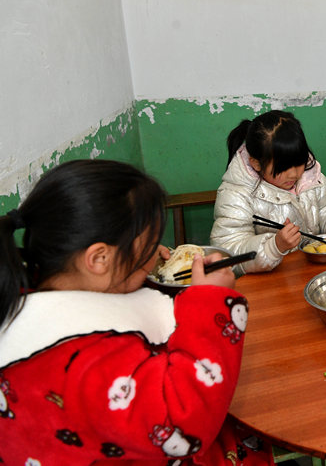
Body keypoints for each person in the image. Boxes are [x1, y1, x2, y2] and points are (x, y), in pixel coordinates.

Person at [0, 159, 273, 465]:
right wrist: (210, 301)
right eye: (148, 246)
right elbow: (181, 425)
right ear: (99, 258)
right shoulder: (83, 361)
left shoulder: (35, 288)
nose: (158, 253)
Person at [210, 110, 326, 274]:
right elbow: (227, 253)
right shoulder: (236, 193)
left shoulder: (310, 177)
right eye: (283, 168)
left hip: (310, 271)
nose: (294, 174)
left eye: (299, 162)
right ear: (256, 164)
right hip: (268, 284)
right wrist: (274, 247)